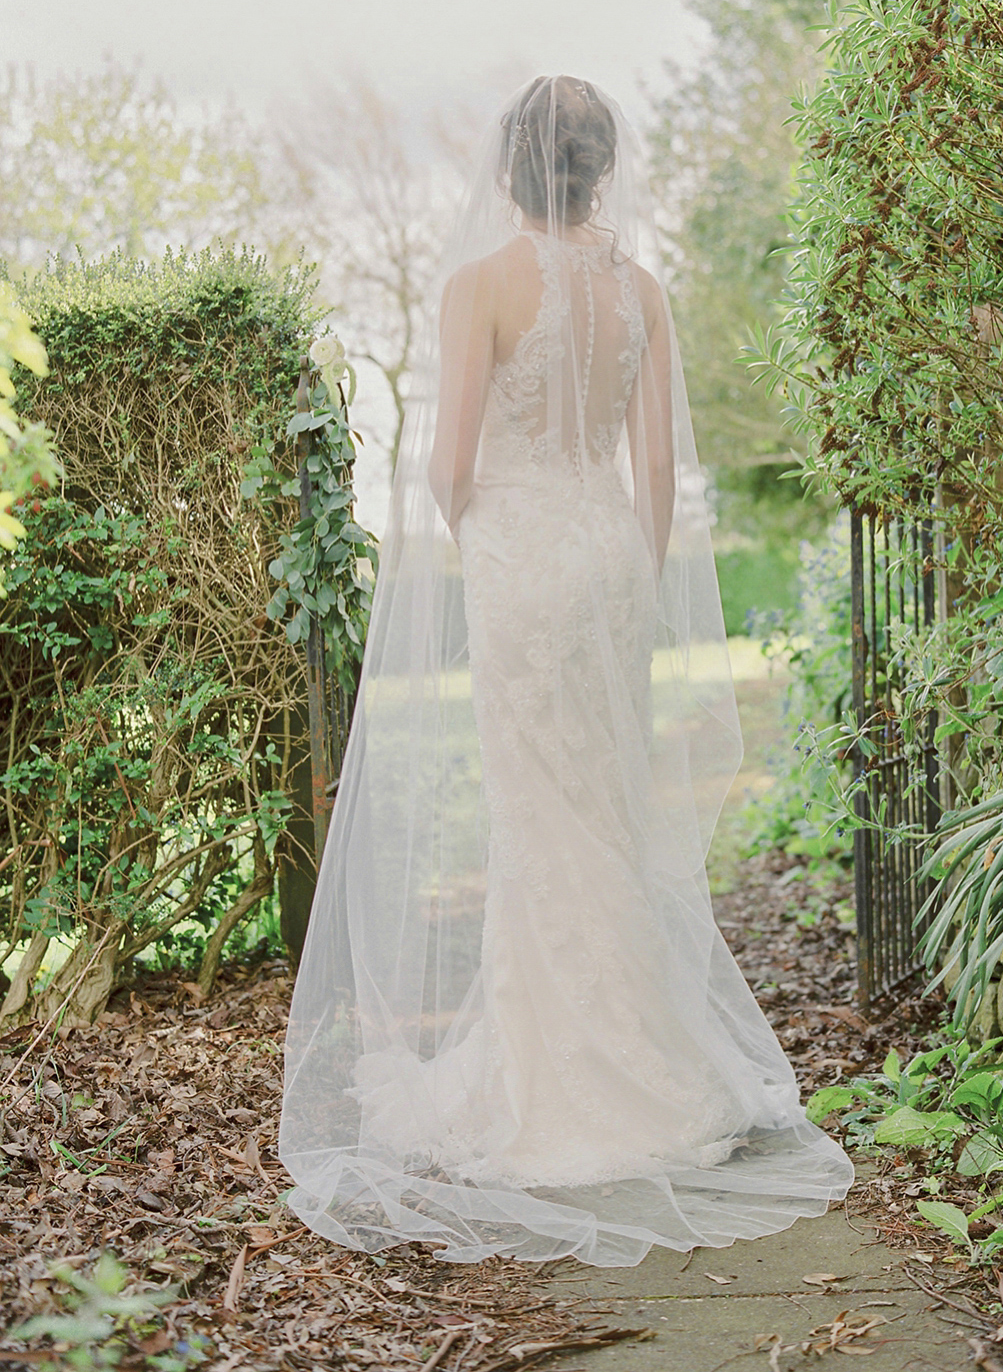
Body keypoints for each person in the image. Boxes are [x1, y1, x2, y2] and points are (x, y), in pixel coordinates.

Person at [278, 76, 854, 1266]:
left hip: (524, 564)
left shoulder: (478, 286)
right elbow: (655, 472)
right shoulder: (640, 290)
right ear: (600, 171)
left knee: (538, 813)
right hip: (605, 566)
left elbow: (445, 471)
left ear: (509, 171)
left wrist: (493, 518)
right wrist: (631, 583)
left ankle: (555, 1084)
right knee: (604, 806)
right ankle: (647, 1068)